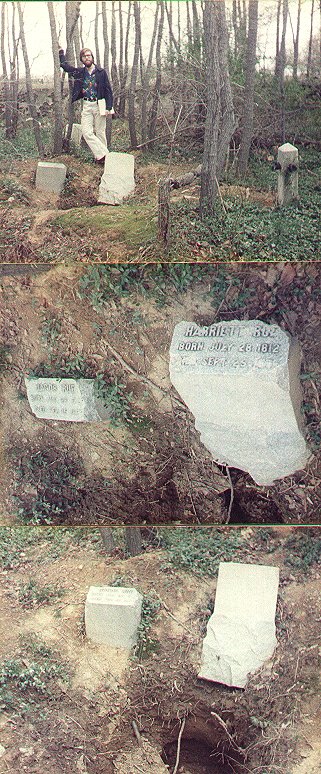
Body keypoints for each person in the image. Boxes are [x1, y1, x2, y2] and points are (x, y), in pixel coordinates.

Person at [59, 46, 113, 164]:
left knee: (100, 132)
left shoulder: (101, 72)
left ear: (92, 57)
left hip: (100, 104)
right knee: (87, 132)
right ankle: (105, 154)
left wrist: (109, 107)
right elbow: (65, 66)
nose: (87, 58)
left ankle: (102, 160)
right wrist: (60, 52)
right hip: (87, 105)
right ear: (82, 59)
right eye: (84, 56)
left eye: (88, 55)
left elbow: (108, 90)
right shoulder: (80, 72)